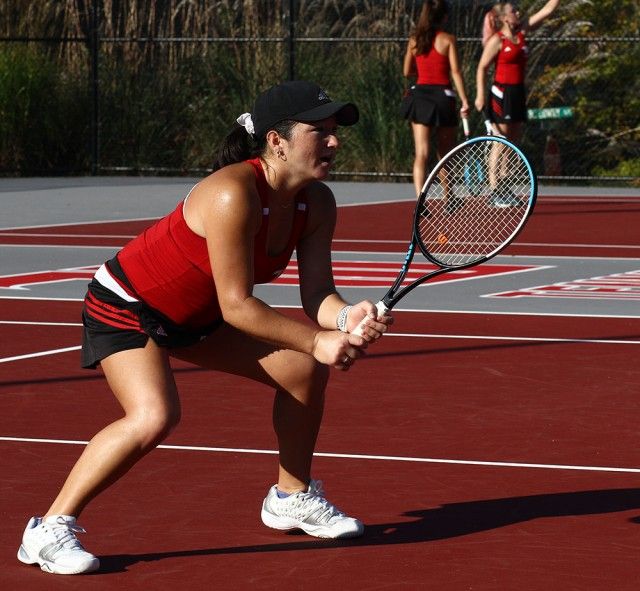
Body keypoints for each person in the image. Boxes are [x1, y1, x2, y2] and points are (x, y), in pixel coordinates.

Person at [17, 80, 393, 575]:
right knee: (154, 416)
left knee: (302, 371)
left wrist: (347, 318)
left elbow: (318, 296)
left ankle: (291, 497)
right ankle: (47, 530)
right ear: (276, 141)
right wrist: (318, 339)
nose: (334, 141)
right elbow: (237, 306)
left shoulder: (316, 202)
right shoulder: (232, 193)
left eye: (334, 131)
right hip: (128, 305)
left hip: (197, 315)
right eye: (318, 130)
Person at [401, 0, 470, 198]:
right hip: (442, 98)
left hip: (421, 96)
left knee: (421, 153)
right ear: (444, 17)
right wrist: (464, 100)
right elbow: (455, 71)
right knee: (445, 152)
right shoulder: (448, 39)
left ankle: (420, 200)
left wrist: (421, 71)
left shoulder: (415, 39)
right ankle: (449, 197)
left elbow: (407, 71)